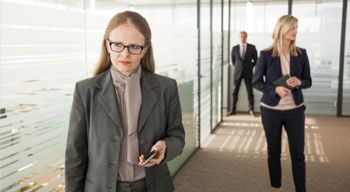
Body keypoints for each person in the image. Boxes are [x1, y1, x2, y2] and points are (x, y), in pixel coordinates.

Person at [65, 11, 185, 192]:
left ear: (145, 49)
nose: (125, 54)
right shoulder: (86, 91)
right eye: (117, 45)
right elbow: (75, 154)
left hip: (153, 186)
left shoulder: (166, 88)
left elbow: (178, 137)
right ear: (107, 45)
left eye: (134, 47)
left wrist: (165, 147)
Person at [252, 15, 312, 192]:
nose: (296, 31)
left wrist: (299, 82)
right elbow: (256, 82)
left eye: (296, 28)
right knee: (274, 152)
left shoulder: (301, 54)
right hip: (271, 110)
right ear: (282, 29)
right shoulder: (265, 55)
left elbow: (308, 80)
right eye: (292, 28)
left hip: (295, 110)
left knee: (298, 155)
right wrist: (274, 90)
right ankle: (276, 188)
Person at [228, 31, 258, 116]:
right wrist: (239, 67)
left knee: (250, 92)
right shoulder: (234, 48)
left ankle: (251, 110)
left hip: (248, 72)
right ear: (239, 37)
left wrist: (250, 67)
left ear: (246, 37)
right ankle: (233, 110)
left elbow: (256, 60)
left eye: (244, 36)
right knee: (235, 92)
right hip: (237, 73)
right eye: (241, 36)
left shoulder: (252, 47)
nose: (243, 38)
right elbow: (233, 61)